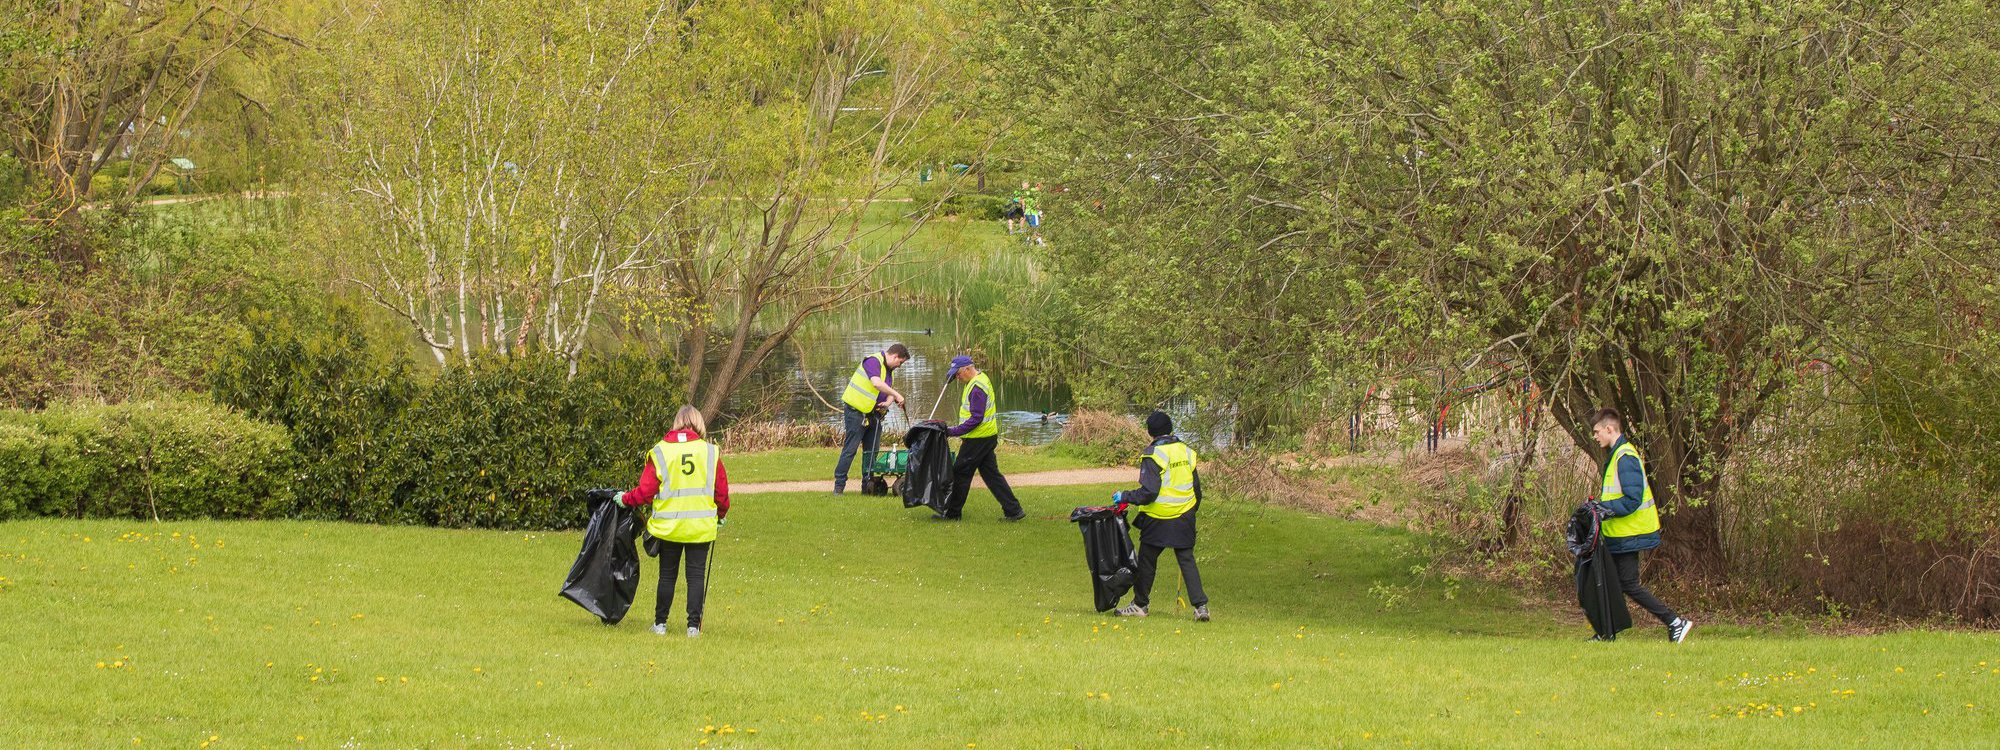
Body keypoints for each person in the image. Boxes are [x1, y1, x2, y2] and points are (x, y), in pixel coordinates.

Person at [618, 406, 729, 638]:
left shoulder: (660, 451)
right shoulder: (710, 452)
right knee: (696, 576)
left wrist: (625, 499)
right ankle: (692, 627)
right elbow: (721, 492)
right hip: (700, 527)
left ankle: (660, 624)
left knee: (667, 575)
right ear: (698, 423)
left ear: (676, 423)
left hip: (669, 528)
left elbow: (645, 492)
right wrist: (721, 514)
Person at [1589, 407, 1693, 643]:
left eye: (1596, 432)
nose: (1595, 437)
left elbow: (1633, 499)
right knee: (1607, 582)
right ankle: (1606, 633)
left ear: (1609, 428)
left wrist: (1603, 510)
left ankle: (1675, 621)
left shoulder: (1625, 457)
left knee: (1628, 584)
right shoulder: (1616, 455)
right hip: (1619, 533)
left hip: (1630, 534)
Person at [1110, 411, 1210, 621]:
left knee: (1147, 561)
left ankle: (1140, 605)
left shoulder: (1153, 455)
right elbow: (1196, 491)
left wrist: (1124, 496)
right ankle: (1201, 607)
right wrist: (1191, 511)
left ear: (1150, 432)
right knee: (1186, 560)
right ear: (1170, 427)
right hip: (1184, 516)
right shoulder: (1186, 451)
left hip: (1158, 518)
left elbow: (1149, 493)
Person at [936, 355, 1024, 521]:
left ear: (968, 369)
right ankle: (1014, 510)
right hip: (986, 436)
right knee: (991, 475)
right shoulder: (979, 379)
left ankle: (952, 514)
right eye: (955, 374)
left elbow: (976, 418)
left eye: (958, 373)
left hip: (978, 439)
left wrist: (952, 431)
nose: (957, 377)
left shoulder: (977, 388)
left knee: (961, 473)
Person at [833, 343, 909, 495]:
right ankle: (838, 487)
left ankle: (867, 488)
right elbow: (876, 383)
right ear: (895, 356)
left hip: (874, 414)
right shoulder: (873, 361)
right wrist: (897, 394)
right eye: (900, 362)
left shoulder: (889, 370)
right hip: (856, 412)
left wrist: (888, 402)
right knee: (850, 450)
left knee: (872, 452)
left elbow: (886, 389)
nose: (899, 366)